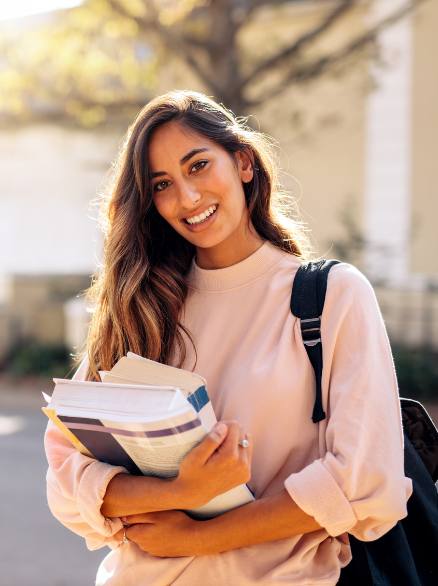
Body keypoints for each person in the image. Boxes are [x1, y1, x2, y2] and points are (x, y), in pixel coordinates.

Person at [44, 89, 412, 586]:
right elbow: (67, 478)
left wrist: (197, 537)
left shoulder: (330, 296)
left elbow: (364, 483)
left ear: (242, 162)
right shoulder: (143, 307)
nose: (187, 198)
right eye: (162, 184)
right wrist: (182, 491)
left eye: (198, 166)